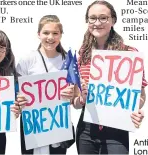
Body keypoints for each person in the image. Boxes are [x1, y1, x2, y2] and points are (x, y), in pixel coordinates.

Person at [63, 1, 147, 154]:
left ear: (113, 20)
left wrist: (136, 110)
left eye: (103, 18)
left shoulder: (129, 54)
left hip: (117, 128)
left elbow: (140, 96)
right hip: (86, 130)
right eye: (92, 18)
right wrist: (81, 98)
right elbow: (75, 103)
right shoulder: (81, 54)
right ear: (87, 21)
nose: (97, 23)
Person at [16, 15, 75, 155]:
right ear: (38, 34)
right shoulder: (28, 59)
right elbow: (16, 88)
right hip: (32, 123)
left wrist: (72, 94)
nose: (50, 37)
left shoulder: (67, 59)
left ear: (61, 35)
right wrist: (19, 98)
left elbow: (76, 94)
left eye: (55, 33)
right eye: (46, 33)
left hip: (58, 122)